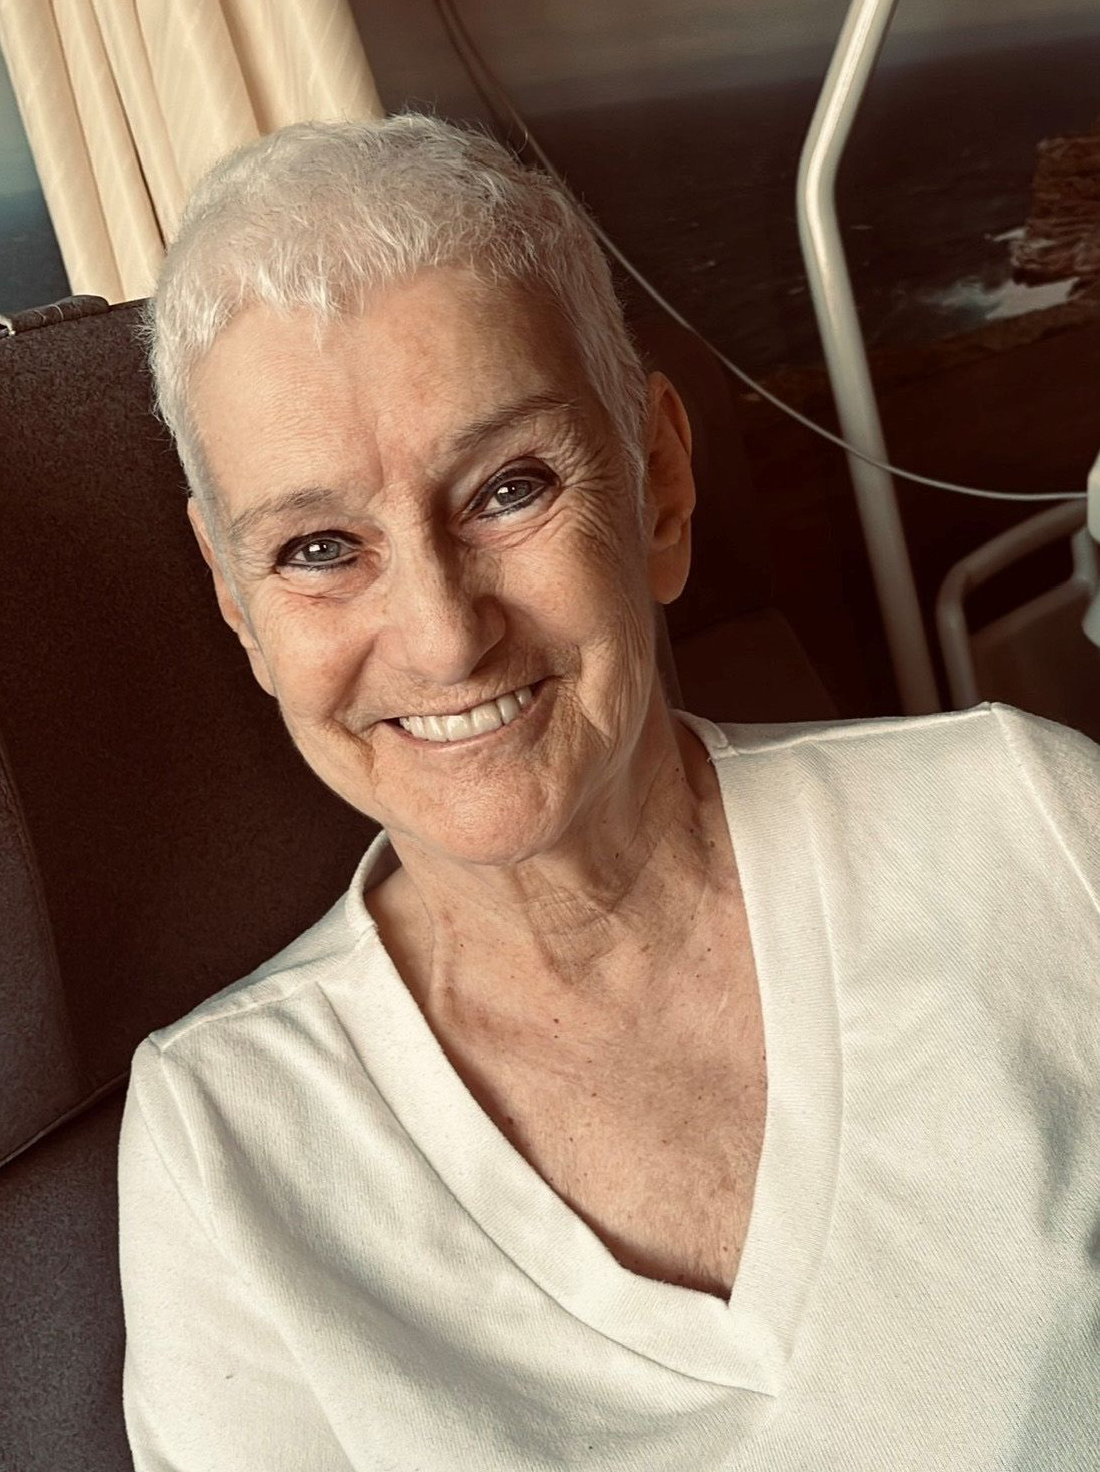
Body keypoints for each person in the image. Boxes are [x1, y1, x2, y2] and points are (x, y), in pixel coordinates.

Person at [117, 114, 1100, 1472]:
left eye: (508, 489)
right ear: (236, 602)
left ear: (660, 486)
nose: (444, 639)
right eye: (319, 548)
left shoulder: (1026, 827)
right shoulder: (222, 1145)